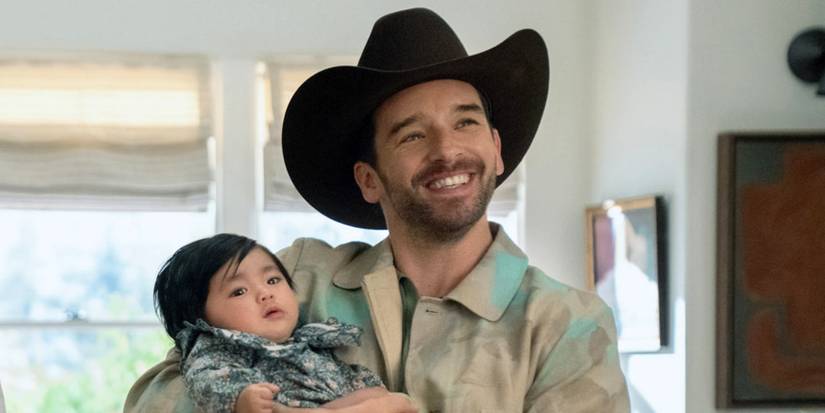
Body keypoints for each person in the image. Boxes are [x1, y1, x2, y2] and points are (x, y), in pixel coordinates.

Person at [125, 7, 630, 412]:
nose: (446, 150)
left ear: (496, 149)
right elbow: (156, 398)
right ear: (369, 178)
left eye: (466, 123)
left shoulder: (566, 324)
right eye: (412, 134)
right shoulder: (297, 278)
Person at [153, 233, 395, 412]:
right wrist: (240, 398)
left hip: (329, 403)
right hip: (288, 405)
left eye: (272, 280)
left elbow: (339, 373)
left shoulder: (305, 342)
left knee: (393, 401)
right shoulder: (217, 347)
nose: (265, 294)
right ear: (201, 321)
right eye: (239, 291)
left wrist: (364, 384)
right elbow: (206, 380)